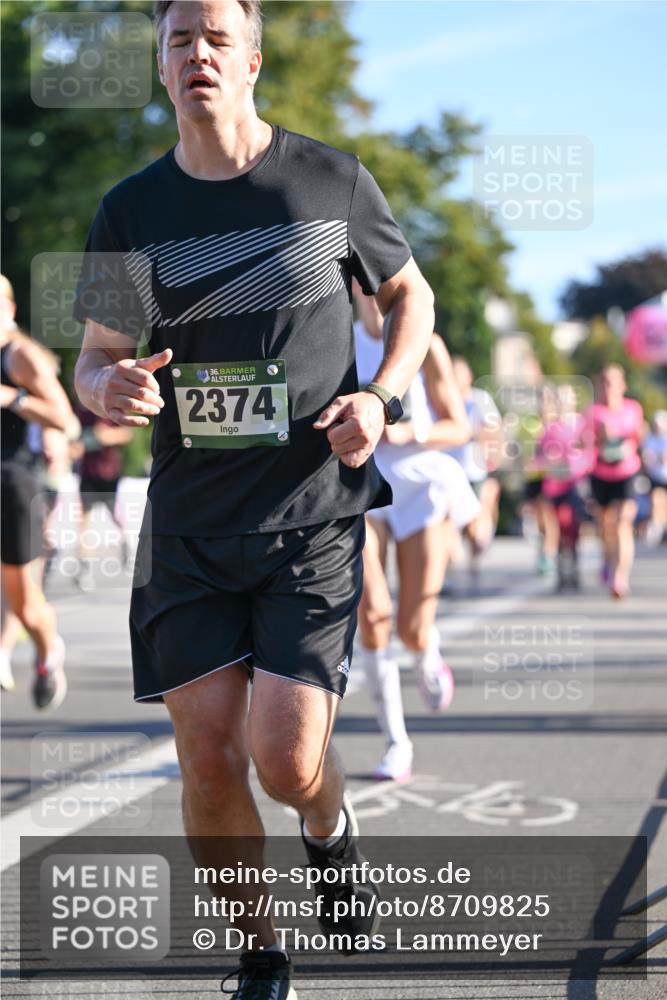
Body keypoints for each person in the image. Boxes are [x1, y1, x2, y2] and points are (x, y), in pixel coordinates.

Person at [73, 3, 435, 996]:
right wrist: (107, 387)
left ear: (253, 60)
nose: (196, 53)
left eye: (215, 38)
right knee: (206, 757)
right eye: (177, 40)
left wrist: (381, 394)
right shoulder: (129, 209)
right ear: (160, 67)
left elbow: (411, 296)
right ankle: (261, 954)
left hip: (309, 513)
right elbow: (94, 360)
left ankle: (326, 822)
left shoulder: (328, 180)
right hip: (188, 523)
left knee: (284, 759)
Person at [353, 284, 478, 782]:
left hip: (420, 486)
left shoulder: (427, 342)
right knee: (372, 614)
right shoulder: (334, 341)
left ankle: (427, 652)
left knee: (411, 627)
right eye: (361, 280)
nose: (372, 289)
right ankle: (396, 743)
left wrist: (409, 432)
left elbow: (458, 427)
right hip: (360, 487)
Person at [1, 275, 75, 708]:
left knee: (24, 605)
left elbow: (64, 418)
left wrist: (10, 397)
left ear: (9, 310)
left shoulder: (20, 355)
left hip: (14, 484)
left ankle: (49, 652)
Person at [585, 364, 644, 599]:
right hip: (600, 473)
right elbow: (584, 444)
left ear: (622, 385)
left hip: (626, 472)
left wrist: (628, 444)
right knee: (605, 527)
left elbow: (639, 438)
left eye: (613, 382)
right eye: (604, 382)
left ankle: (620, 578)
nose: (609, 387)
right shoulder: (592, 412)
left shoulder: (633, 409)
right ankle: (607, 558)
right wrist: (600, 436)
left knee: (622, 523)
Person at [449, 357, 502, 575]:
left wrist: (468, 434)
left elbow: (494, 430)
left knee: (473, 523)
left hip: (474, 470)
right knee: (448, 520)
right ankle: (449, 568)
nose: (455, 378)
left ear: (468, 376)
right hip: (449, 470)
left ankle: (474, 557)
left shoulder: (481, 399)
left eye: (459, 373)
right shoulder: (443, 397)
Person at [71, 407, 133, 591]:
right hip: (88, 473)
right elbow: (73, 438)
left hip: (108, 473)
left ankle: (126, 543)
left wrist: (107, 436)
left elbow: (127, 432)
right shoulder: (81, 411)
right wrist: (74, 448)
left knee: (115, 515)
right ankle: (84, 568)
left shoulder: (110, 406)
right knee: (84, 520)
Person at [538, 383, 591, 591]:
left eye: (567, 398)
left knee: (573, 525)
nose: (563, 402)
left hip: (575, 483)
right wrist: (549, 461)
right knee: (557, 527)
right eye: (559, 398)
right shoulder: (549, 427)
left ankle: (574, 566)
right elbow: (540, 456)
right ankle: (561, 570)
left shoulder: (582, 424)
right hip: (553, 485)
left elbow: (589, 452)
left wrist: (577, 466)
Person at [642, 410, 667, 547]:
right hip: (656, 476)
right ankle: (658, 528)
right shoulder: (650, 438)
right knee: (656, 501)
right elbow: (647, 456)